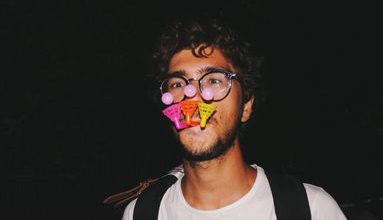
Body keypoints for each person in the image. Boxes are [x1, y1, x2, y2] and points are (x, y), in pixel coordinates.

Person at [118, 19, 347, 219]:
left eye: (214, 80)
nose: (193, 96)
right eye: (178, 84)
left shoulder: (311, 209)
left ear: (246, 106)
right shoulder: (141, 214)